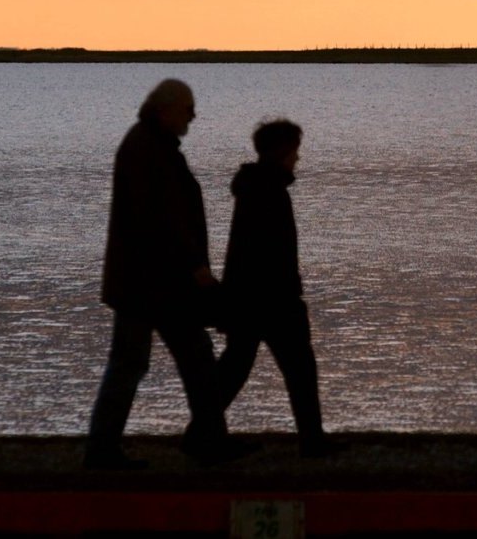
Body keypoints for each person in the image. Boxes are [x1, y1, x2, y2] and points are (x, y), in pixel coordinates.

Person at [85, 79, 253, 469]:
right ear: (166, 110)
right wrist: (195, 266)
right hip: (152, 285)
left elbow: (165, 217)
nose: (193, 115)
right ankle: (106, 451)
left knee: (183, 358)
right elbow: (162, 219)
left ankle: (203, 440)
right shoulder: (148, 149)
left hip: (149, 283)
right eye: (188, 108)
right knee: (143, 363)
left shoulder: (148, 145)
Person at [216, 120, 341, 457]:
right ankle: (312, 441)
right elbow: (271, 252)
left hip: (248, 298)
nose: (297, 158)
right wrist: (289, 296)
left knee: (235, 367)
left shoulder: (255, 187)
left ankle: (201, 431)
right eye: (294, 151)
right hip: (271, 300)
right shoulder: (269, 191)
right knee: (299, 368)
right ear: (283, 152)